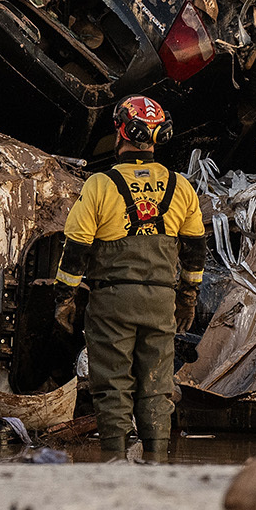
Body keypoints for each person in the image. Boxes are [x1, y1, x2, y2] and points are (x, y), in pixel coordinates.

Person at [54, 96, 205, 456]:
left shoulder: (99, 185)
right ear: (158, 135)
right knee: (156, 384)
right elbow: (195, 250)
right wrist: (187, 297)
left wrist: (65, 298)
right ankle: (155, 460)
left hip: (112, 303)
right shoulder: (180, 186)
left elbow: (75, 248)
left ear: (120, 130)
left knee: (112, 386)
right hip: (160, 302)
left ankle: (115, 462)